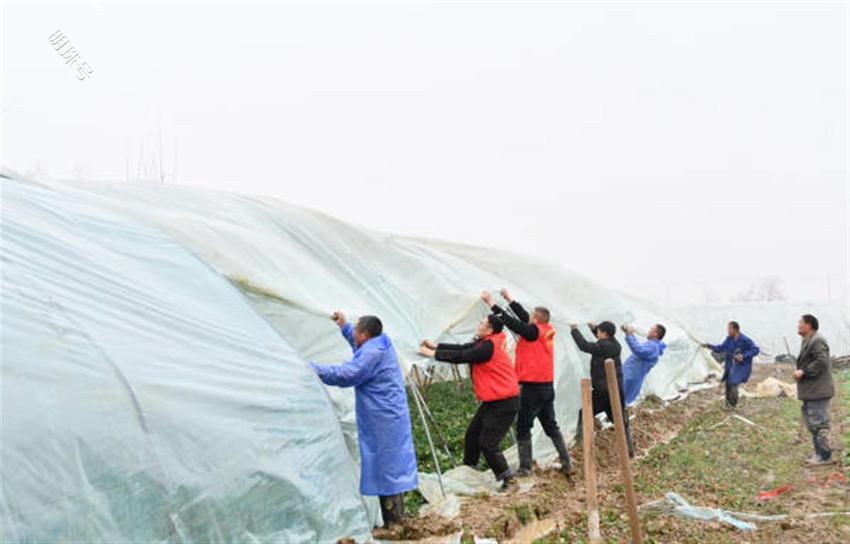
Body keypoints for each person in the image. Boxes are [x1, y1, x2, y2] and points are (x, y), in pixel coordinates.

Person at [309, 312, 418, 526]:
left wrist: (314, 369)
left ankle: (395, 523)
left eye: (356, 330)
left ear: (366, 335)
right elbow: (358, 342)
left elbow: (348, 374)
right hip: (385, 414)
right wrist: (344, 327)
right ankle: (397, 520)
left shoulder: (373, 352)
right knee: (388, 466)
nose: (354, 333)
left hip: (384, 417)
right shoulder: (377, 342)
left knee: (387, 468)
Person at [419, 314, 520, 489]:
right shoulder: (486, 342)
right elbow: (463, 348)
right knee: (472, 435)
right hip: (494, 400)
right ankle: (469, 472)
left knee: (488, 444)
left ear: (489, 329)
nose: (479, 324)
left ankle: (508, 479)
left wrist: (433, 354)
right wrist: (436, 346)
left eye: (482, 323)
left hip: (504, 401)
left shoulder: (489, 346)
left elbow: (464, 356)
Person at [482, 289, 573, 476]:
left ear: (536, 320)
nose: (528, 317)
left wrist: (492, 304)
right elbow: (523, 319)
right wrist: (510, 300)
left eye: (532, 316)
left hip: (533, 388)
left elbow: (515, 323)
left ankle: (525, 468)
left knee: (523, 426)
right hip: (546, 387)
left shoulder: (533, 332)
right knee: (551, 426)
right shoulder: (544, 331)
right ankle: (567, 462)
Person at [569, 321, 635, 458]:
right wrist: (593, 328)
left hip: (603, 391)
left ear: (604, 333)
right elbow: (601, 342)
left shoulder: (603, 347)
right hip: (615, 390)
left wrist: (574, 330)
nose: (597, 333)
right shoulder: (615, 344)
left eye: (599, 331)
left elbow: (584, 346)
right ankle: (629, 450)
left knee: (585, 413)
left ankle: (581, 444)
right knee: (620, 421)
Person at [793, 314, 835, 465]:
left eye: (800, 323)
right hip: (812, 392)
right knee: (813, 424)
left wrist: (803, 371)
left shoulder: (817, 340)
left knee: (819, 424)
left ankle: (825, 456)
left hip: (818, 391)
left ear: (808, 325)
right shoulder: (808, 340)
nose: (798, 325)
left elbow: (822, 361)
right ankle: (819, 454)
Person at [702, 321, 760, 411]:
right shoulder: (729, 339)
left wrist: (743, 356)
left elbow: (755, 350)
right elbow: (720, 348)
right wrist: (709, 346)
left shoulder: (745, 340)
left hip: (741, 366)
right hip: (730, 365)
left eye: (729, 329)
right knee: (728, 384)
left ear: (735, 329)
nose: (728, 331)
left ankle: (732, 405)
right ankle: (727, 404)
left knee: (734, 383)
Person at [621, 324, 667, 405]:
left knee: (620, 399)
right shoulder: (652, 345)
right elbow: (639, 348)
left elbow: (639, 350)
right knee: (620, 399)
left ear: (655, 334)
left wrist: (630, 335)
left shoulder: (653, 347)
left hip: (630, 378)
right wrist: (630, 335)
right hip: (630, 376)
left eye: (651, 330)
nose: (648, 331)